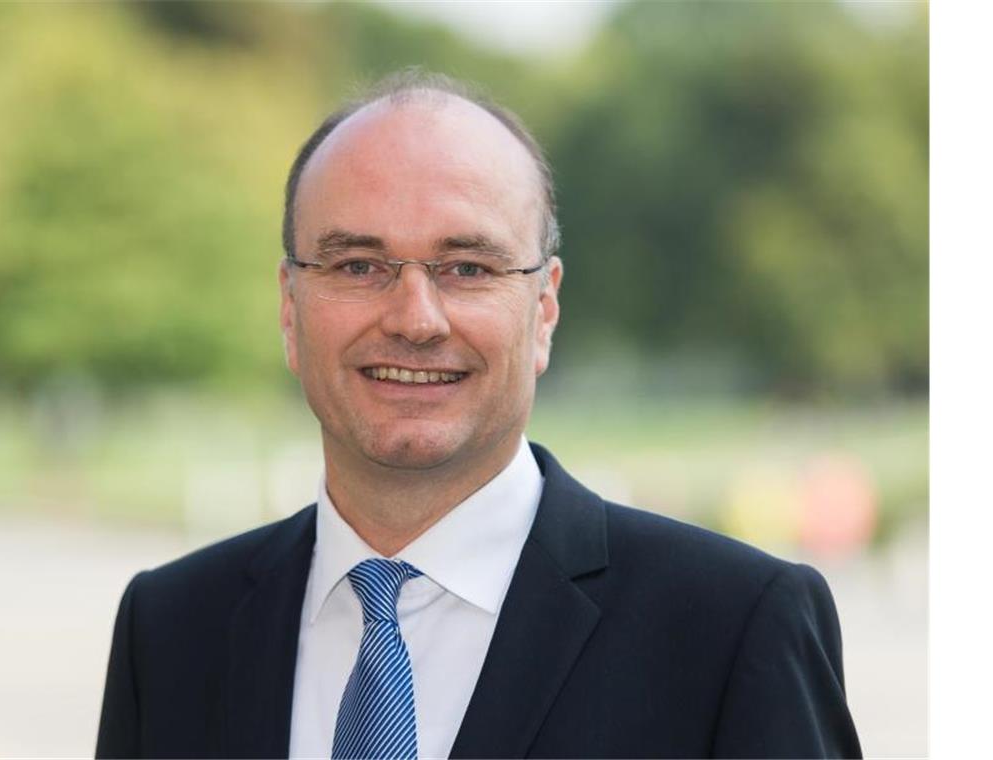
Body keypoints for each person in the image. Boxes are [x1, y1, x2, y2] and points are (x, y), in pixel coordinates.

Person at [96, 71, 861, 759]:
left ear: (545, 307)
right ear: (290, 309)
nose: (415, 318)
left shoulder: (732, 629)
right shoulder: (168, 631)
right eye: (358, 266)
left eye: (468, 268)